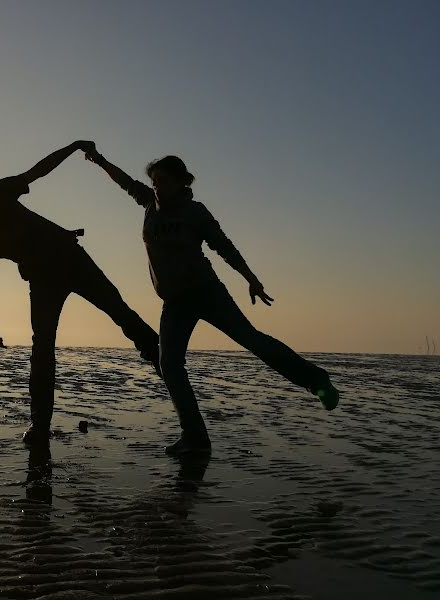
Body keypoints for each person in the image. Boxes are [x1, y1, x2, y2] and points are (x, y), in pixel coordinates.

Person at [84, 149, 339, 455]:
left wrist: (251, 277)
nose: (156, 186)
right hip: (174, 302)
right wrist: (98, 160)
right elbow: (124, 182)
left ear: (181, 183)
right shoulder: (150, 204)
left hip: (206, 293)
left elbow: (223, 246)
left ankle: (317, 381)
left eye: (163, 181)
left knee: (252, 340)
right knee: (170, 364)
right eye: (153, 181)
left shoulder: (195, 212)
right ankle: (195, 437)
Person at [0, 141, 161, 444]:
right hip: (42, 280)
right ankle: (40, 425)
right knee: (42, 349)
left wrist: (74, 147)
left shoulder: (1, 192)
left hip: (72, 259)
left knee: (120, 312)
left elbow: (39, 170)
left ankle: (165, 363)